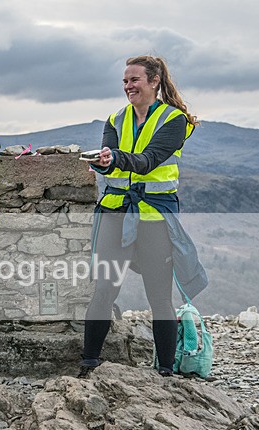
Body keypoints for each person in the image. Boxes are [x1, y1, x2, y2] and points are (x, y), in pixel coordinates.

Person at [79, 55, 207, 379]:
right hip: (116, 212)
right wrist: (102, 162)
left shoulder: (174, 120)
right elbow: (111, 162)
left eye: (134, 79)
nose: (128, 86)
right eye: (125, 80)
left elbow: (149, 160)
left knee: (159, 296)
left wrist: (115, 157)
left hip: (154, 217)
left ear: (154, 81)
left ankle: (165, 372)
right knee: (104, 289)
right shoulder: (115, 119)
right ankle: (88, 364)